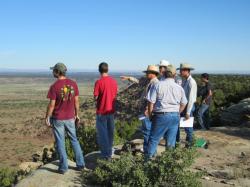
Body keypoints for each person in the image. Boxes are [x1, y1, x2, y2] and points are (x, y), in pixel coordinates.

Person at [45, 62, 85, 174]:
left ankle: (63, 168)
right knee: (74, 140)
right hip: (70, 118)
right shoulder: (73, 84)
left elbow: (52, 104)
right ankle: (80, 164)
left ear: (57, 72)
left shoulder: (54, 86)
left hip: (58, 118)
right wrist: (77, 114)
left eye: (54, 70)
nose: (53, 72)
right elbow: (76, 101)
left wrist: (47, 116)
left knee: (60, 142)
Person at [145, 65, 187, 159]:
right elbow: (184, 103)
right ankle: (168, 165)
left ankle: (147, 162)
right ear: (174, 75)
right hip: (174, 116)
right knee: (171, 141)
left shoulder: (157, 85)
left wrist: (150, 115)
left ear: (163, 73)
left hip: (161, 115)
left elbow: (151, 102)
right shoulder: (179, 87)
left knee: (154, 139)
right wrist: (178, 112)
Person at [121, 65, 159, 153]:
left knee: (147, 131)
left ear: (153, 74)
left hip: (147, 111)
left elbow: (153, 98)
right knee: (147, 131)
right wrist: (129, 78)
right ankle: (150, 150)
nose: (146, 74)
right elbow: (139, 82)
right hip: (146, 110)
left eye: (148, 73)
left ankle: (149, 151)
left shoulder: (155, 83)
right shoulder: (150, 81)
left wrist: (147, 110)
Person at [94, 62, 118, 159]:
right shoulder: (114, 81)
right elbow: (115, 94)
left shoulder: (99, 82)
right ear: (107, 70)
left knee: (103, 134)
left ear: (99, 70)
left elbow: (96, 97)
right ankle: (110, 151)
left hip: (102, 111)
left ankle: (105, 155)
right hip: (111, 111)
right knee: (110, 132)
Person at [176, 63, 197, 147]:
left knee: (188, 128)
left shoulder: (192, 82)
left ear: (186, 71)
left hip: (188, 107)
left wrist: (188, 112)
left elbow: (191, 99)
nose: (180, 72)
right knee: (186, 127)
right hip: (184, 106)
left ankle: (189, 146)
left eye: (181, 70)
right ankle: (188, 145)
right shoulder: (185, 80)